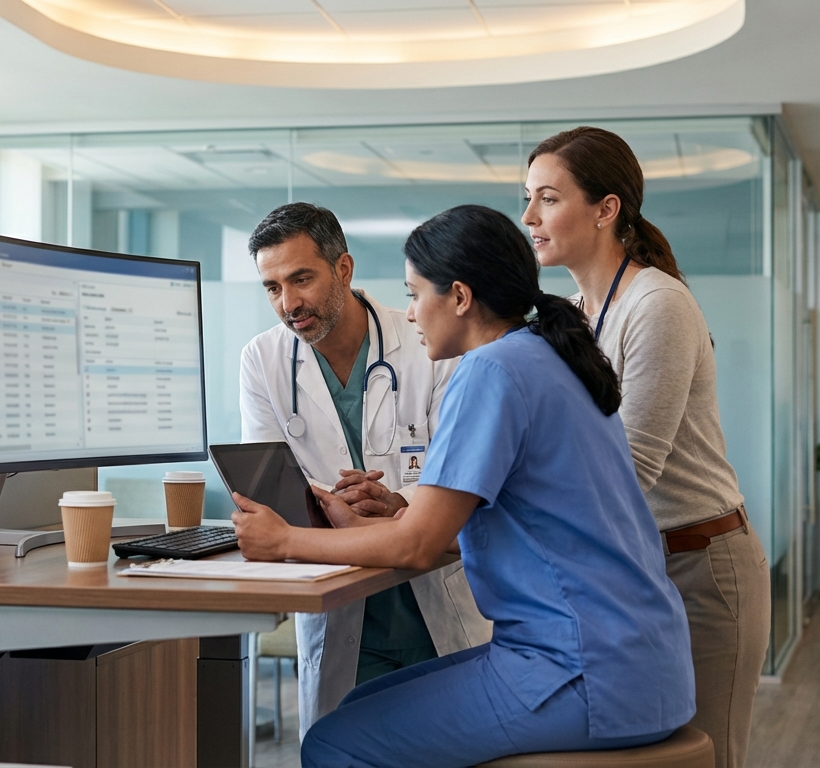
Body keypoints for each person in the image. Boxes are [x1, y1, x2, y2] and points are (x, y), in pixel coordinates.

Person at [233, 205, 695, 768]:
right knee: (360, 702)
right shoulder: (547, 357)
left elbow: (419, 545)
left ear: (458, 296)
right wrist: (381, 523)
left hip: (579, 670)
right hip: (638, 662)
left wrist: (284, 541)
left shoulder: (491, 372)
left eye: (413, 293)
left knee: (331, 741)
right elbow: (466, 529)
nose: (408, 313)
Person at [522, 126, 770, 768]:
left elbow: (631, 468)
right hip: (634, 565)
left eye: (547, 199)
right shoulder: (579, 309)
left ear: (607, 209)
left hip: (700, 566)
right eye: (529, 199)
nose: (529, 217)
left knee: (709, 754)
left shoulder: (657, 304)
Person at [238, 202, 490, 736]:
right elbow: (269, 487)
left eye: (301, 279)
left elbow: (468, 480)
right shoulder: (262, 360)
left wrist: (400, 502)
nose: (288, 303)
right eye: (272, 287)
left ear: (343, 269)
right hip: (342, 609)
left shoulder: (432, 343)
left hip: (437, 601)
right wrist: (325, 504)